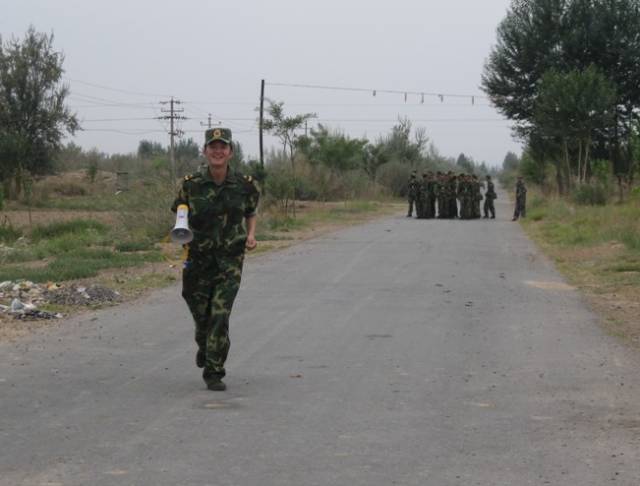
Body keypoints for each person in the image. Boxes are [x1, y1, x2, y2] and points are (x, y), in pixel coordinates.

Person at [171, 127, 259, 391]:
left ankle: (214, 370)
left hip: (230, 260)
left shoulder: (245, 184)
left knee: (220, 314)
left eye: (223, 147)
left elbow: (250, 212)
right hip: (197, 259)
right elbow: (180, 215)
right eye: (213, 147)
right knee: (201, 315)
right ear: (205, 151)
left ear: (230, 152)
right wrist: (181, 231)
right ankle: (205, 344)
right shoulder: (191, 184)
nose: (218, 151)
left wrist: (251, 235)